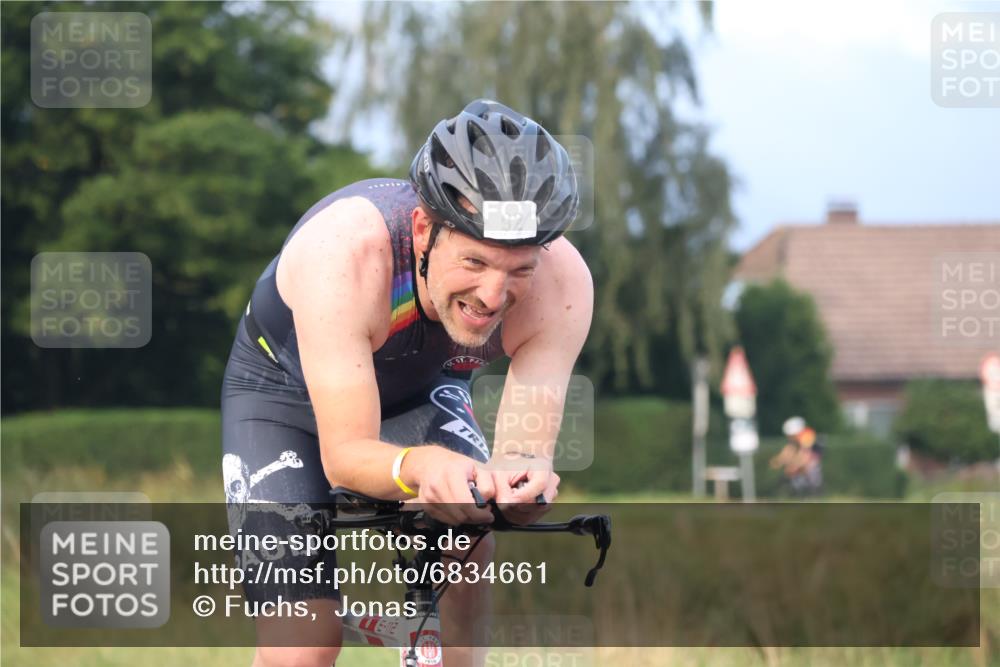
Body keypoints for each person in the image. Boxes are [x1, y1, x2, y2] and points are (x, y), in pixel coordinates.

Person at [220, 99, 592, 667]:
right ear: (424, 229)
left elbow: (521, 449)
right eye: (474, 262)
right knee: (305, 648)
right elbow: (345, 456)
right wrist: (420, 468)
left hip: (420, 388)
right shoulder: (344, 254)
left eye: (519, 269)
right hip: (281, 397)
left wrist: (521, 480)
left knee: (469, 541)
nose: (494, 296)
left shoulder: (563, 284)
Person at [769, 416, 823, 496]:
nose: (789, 438)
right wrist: (778, 460)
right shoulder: (795, 440)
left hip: (811, 464)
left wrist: (794, 466)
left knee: (803, 471)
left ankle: (812, 492)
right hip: (804, 463)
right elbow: (788, 450)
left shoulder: (807, 436)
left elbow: (805, 454)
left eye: (790, 435)